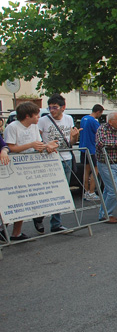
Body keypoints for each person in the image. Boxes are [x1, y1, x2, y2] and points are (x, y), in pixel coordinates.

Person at [1, 102, 58, 241]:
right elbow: (11, 147)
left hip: (30, 167)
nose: (39, 117)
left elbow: (37, 145)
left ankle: (17, 232)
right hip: (14, 168)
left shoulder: (33, 127)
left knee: (25, 201)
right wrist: (31, 145)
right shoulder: (12, 127)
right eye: (36, 114)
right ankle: (3, 228)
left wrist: (47, 146)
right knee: (13, 200)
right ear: (27, 116)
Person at [34, 93, 79, 234]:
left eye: (55, 107)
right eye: (50, 107)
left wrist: (75, 136)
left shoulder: (68, 119)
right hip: (50, 160)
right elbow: (37, 139)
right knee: (48, 190)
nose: (52, 110)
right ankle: (39, 216)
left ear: (63, 108)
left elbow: (70, 142)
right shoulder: (43, 120)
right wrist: (45, 146)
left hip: (66, 158)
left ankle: (56, 223)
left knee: (62, 191)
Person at [79, 104, 104, 200]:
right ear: (98, 112)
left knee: (86, 171)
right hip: (92, 149)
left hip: (83, 148)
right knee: (95, 171)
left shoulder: (84, 119)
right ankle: (92, 192)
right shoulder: (94, 121)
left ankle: (85, 192)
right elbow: (100, 134)